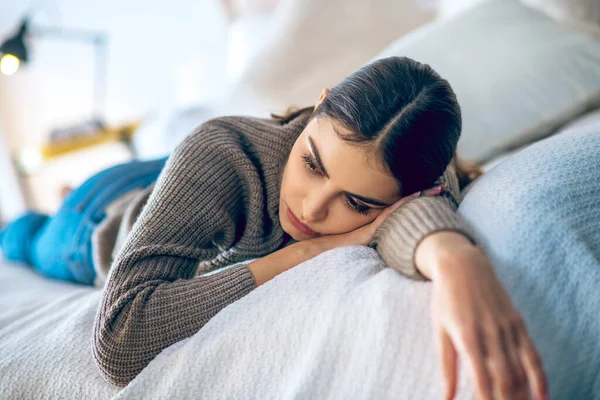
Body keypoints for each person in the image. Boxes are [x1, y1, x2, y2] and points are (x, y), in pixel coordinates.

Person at [0, 56, 547, 399]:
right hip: (101, 217)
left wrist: (456, 258)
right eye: (313, 162)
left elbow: (422, 214)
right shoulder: (224, 149)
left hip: (189, 181)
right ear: (320, 105)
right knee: (25, 238)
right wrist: (296, 256)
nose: (311, 211)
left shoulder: (410, 164)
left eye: (355, 204)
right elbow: (120, 340)